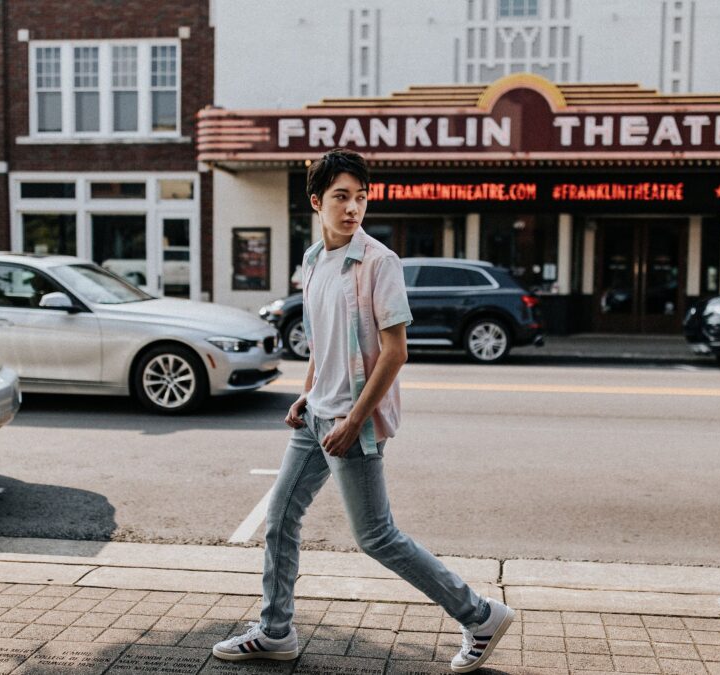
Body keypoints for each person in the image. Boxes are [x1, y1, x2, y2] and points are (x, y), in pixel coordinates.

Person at [212, 149, 514, 673]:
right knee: (281, 519)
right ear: (316, 202)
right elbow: (322, 343)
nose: (353, 208)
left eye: (361, 197)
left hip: (352, 423)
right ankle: (276, 631)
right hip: (315, 418)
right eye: (341, 197)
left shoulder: (379, 262)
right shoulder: (312, 261)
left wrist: (354, 422)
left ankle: (480, 614)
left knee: (376, 536)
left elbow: (395, 351)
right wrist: (305, 393)